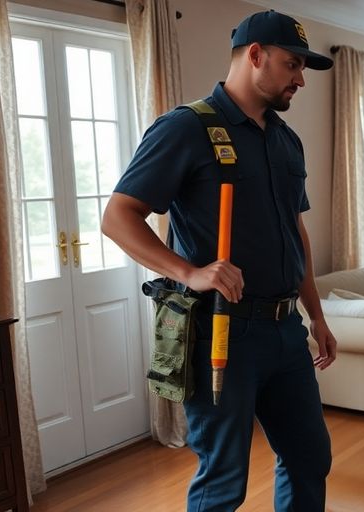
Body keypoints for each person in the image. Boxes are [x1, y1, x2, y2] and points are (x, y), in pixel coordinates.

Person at [101, 10, 336, 511]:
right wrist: (189, 272)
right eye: (292, 65)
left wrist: (315, 315)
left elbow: (297, 233)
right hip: (221, 331)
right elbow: (118, 216)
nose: (300, 80)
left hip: (285, 330)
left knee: (309, 456)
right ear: (255, 56)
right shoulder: (186, 128)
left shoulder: (285, 139)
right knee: (224, 479)